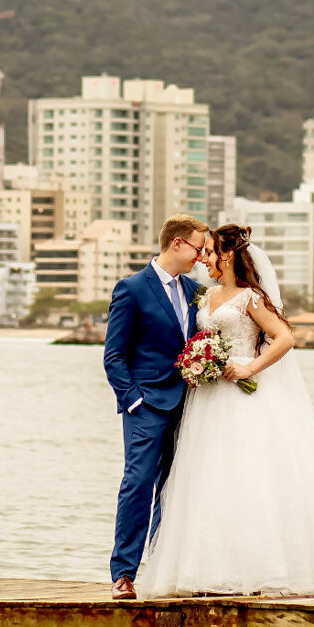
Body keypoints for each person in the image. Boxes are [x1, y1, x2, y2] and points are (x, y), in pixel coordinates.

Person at [139, 223, 314, 597]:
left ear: (227, 255)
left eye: (211, 252)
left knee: (249, 477)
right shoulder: (206, 295)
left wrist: (249, 367)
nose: (204, 258)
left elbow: (284, 337)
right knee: (207, 479)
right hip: (208, 401)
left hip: (243, 398)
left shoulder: (250, 298)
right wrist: (199, 362)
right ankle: (206, 572)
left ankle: (262, 570)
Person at [103, 213, 210, 601]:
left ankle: (162, 568)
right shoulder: (131, 288)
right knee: (138, 484)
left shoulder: (196, 290)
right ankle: (124, 574)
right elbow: (114, 355)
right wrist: (132, 400)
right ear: (177, 243)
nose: (201, 256)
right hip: (146, 405)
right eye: (198, 248)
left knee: (174, 489)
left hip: (188, 403)